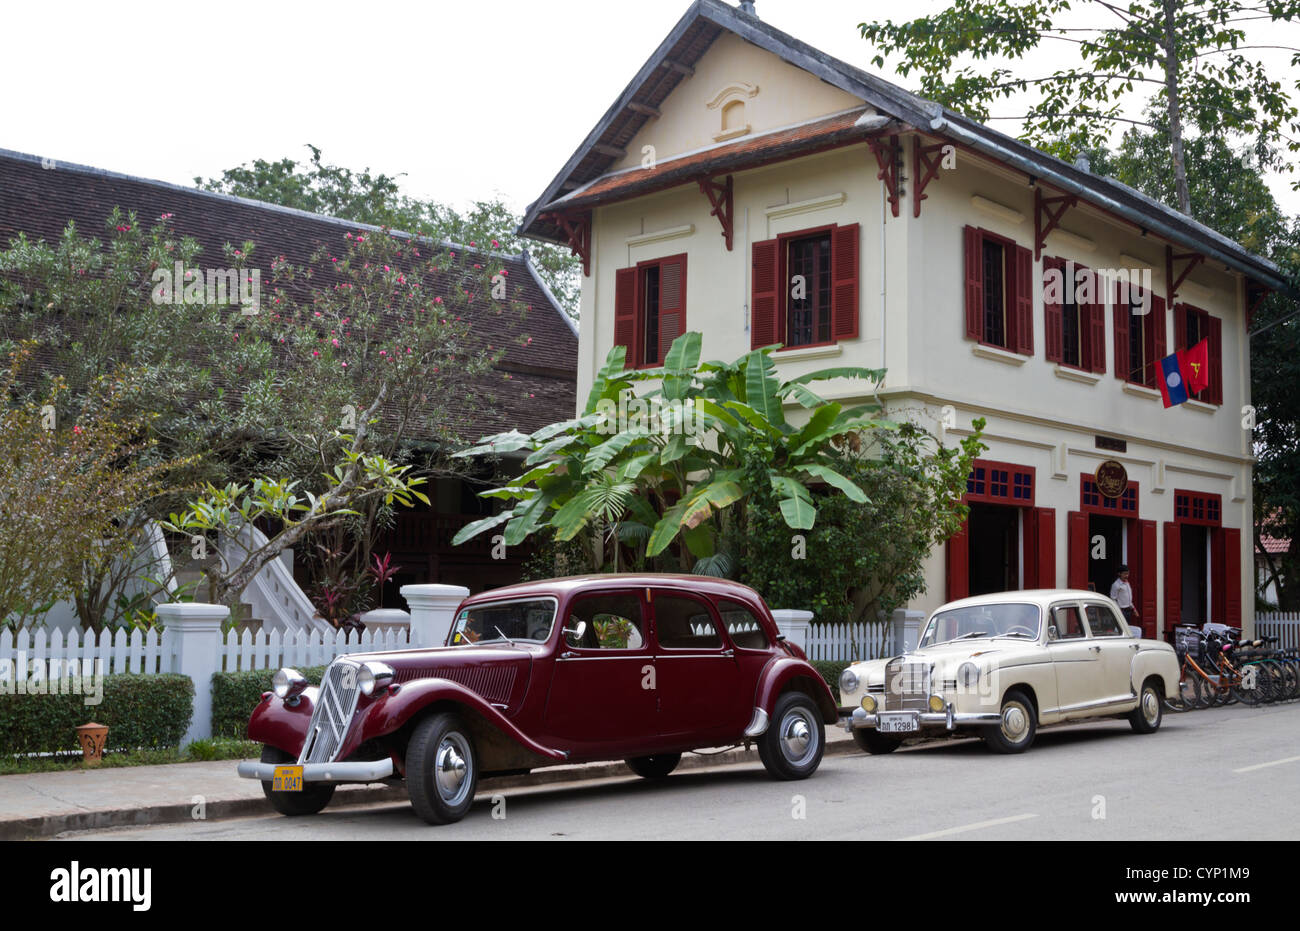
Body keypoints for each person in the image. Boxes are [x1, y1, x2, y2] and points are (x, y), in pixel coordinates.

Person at [1110, 565, 1139, 631]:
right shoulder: (1116, 585)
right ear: (1119, 574)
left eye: (1128, 573)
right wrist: (1118, 610)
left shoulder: (1127, 583)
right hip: (1122, 610)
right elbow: (1113, 599)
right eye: (1125, 574)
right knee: (1121, 628)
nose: (1127, 575)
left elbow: (1128, 599)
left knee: (1127, 628)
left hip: (1128, 610)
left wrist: (1134, 609)